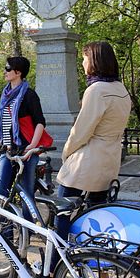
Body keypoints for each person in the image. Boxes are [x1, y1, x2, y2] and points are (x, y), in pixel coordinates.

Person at [55, 41, 132, 238]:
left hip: (86, 164)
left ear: (94, 61)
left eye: (84, 58)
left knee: (61, 213)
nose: (82, 63)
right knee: (96, 217)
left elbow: (81, 131)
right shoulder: (121, 89)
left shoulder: (96, 90)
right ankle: (91, 260)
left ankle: (56, 264)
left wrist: (66, 154)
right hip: (109, 161)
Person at [0, 56, 52, 219]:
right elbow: (5, 123)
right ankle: (5, 234)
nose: (4, 72)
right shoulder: (5, 94)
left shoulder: (29, 95)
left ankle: (28, 229)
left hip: (26, 150)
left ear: (18, 72)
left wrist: (33, 145)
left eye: (7, 68)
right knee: (0, 192)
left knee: (26, 193)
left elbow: (40, 122)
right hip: (7, 150)